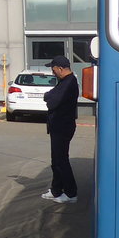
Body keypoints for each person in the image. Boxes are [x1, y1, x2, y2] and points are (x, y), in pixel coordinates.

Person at [41, 55, 79, 203]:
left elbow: (52, 101)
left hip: (63, 127)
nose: (52, 72)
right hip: (58, 126)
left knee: (61, 161)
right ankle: (56, 190)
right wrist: (49, 96)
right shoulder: (64, 82)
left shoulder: (69, 83)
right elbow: (50, 97)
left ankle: (70, 193)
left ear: (61, 69)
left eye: (53, 69)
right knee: (56, 160)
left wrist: (48, 96)